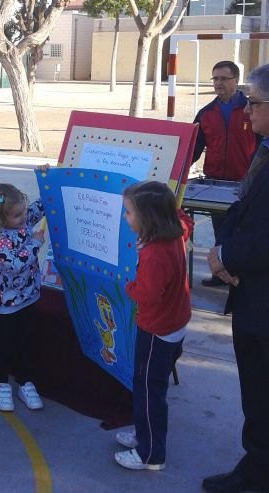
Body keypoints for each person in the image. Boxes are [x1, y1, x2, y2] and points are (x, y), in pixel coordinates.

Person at [202, 64, 269, 493]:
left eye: (256, 104)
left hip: (261, 300)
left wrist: (227, 257)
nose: (248, 113)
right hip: (248, 291)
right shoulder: (263, 149)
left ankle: (257, 472)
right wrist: (220, 252)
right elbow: (241, 208)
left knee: (262, 392)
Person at [114, 181, 193, 471]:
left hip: (157, 330)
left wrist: (129, 288)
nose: (126, 218)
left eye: (129, 213)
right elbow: (184, 218)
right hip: (175, 324)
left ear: (149, 218)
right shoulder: (176, 232)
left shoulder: (154, 254)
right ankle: (144, 433)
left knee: (147, 391)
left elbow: (148, 295)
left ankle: (150, 454)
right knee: (152, 388)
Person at [192, 60, 260, 287]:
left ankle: (242, 278)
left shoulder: (251, 109)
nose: (218, 83)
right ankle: (220, 274)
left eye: (224, 78)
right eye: (215, 79)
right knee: (221, 231)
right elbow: (192, 149)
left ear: (236, 81)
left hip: (245, 184)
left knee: (245, 233)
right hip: (215, 184)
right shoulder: (205, 114)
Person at [0, 183, 45, 412]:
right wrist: (35, 243)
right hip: (7, 302)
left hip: (29, 295)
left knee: (25, 340)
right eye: (17, 215)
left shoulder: (23, 219)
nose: (23, 218)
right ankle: (2, 383)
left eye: (23, 212)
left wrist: (47, 179)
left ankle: (25, 381)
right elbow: (15, 266)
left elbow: (42, 206)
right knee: (6, 342)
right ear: (1, 216)